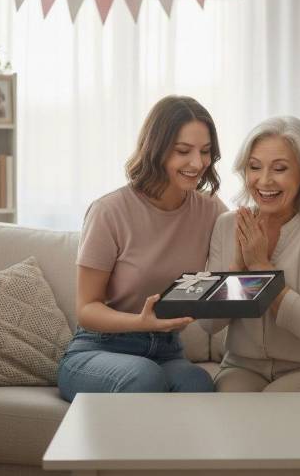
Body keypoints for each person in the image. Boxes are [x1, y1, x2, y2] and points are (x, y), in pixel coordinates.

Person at [58, 95, 228, 401]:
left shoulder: (211, 210)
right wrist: (139, 322)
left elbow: (251, 243)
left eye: (205, 152)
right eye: (183, 151)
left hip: (166, 350)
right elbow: (86, 309)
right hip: (100, 348)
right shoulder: (109, 211)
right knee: (143, 377)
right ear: (156, 149)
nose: (197, 163)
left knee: (197, 383)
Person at [201, 116, 300, 393]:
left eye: (280, 169)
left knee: (274, 405)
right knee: (229, 409)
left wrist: (260, 266)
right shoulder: (227, 225)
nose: (264, 181)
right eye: (254, 167)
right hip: (243, 366)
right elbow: (209, 324)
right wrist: (238, 266)